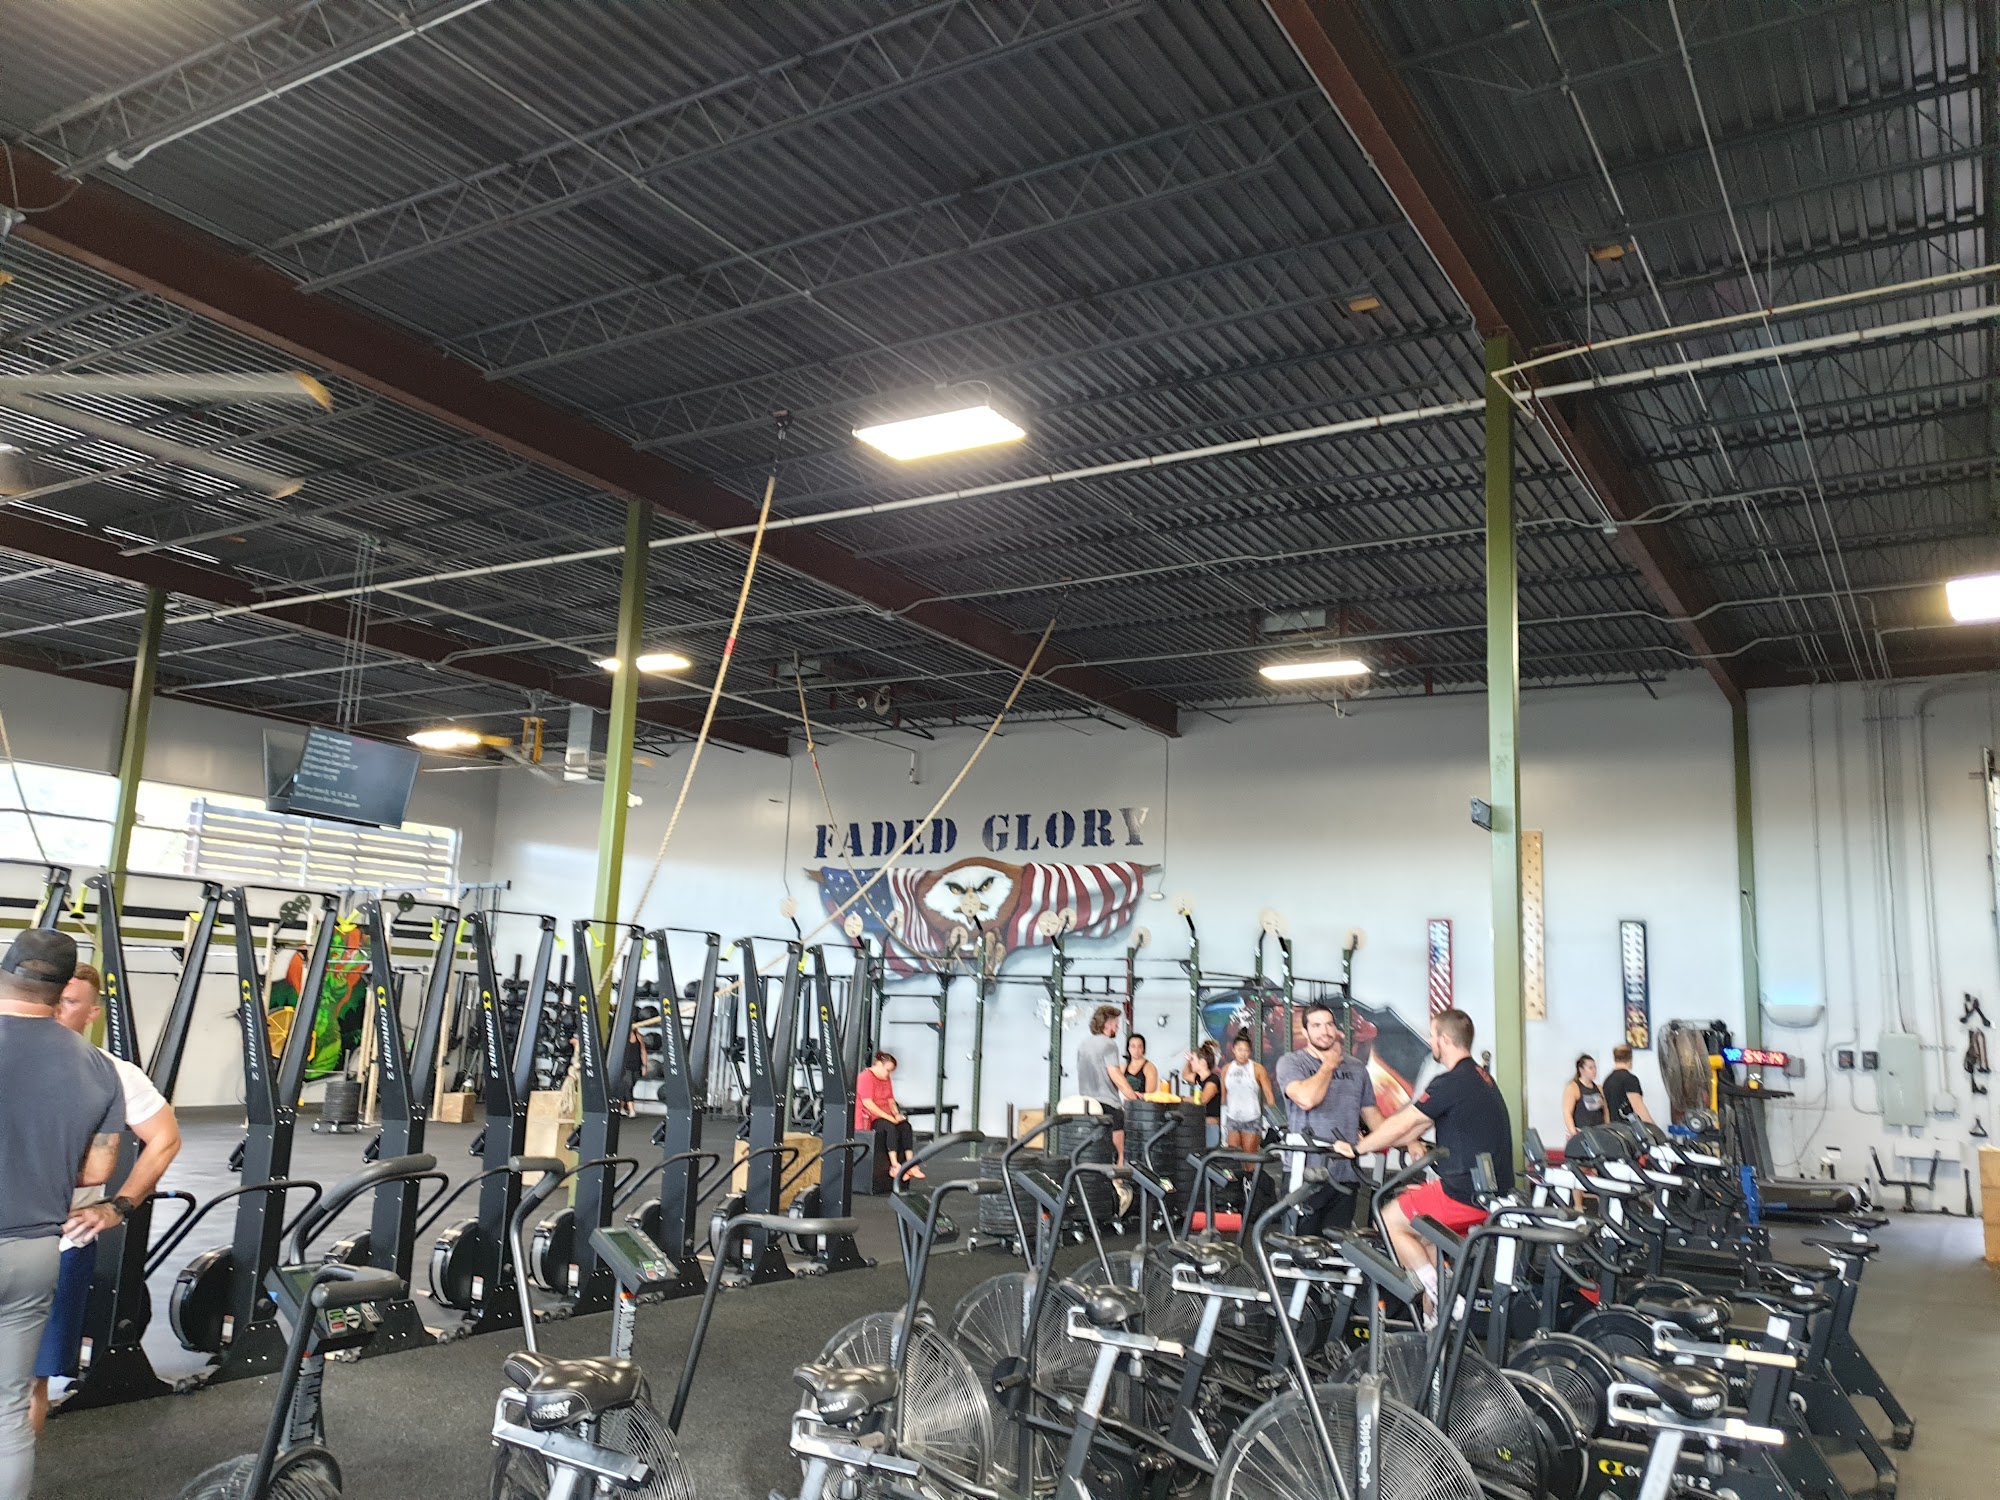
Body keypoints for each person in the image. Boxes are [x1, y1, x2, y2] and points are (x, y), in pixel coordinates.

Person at [0, 930, 124, 1500]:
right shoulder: (97, 1066)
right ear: (61, 993)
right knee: (8, 1412)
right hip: (33, 1253)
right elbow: (98, 1169)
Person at [31, 962, 182, 1432]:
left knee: (27, 1381)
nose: (56, 1009)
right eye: (52, 997)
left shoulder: (113, 1073)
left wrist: (120, 1205)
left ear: (92, 1013)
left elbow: (165, 1138)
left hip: (61, 1245)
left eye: (69, 1001)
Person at [1334, 1008, 1513, 1323]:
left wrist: (1357, 1148)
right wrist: (1396, 1142)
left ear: (1444, 1039)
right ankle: (1434, 1324)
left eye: (1432, 1036)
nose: (1430, 1042)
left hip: (1463, 1193)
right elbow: (1414, 1128)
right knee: (1425, 1239)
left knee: (1387, 1220)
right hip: (1487, 1193)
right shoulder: (1480, 1078)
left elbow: (1406, 1120)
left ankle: (1442, 1294)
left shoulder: (1451, 1081)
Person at [1275, 1004, 1382, 1236]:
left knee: (1337, 1246)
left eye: (1329, 1024)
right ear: (1305, 1032)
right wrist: (1329, 1066)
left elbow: (1372, 1116)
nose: (1324, 1031)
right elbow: (1306, 1099)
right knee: (1301, 1247)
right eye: (1316, 1026)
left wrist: (1408, 1141)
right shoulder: (1292, 1063)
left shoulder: (1357, 1069)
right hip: (1306, 1174)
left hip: (1346, 1173)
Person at [855, 1051, 920, 1180]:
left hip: (886, 1115)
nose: (889, 1075)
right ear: (879, 1065)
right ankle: (894, 1165)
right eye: (888, 1071)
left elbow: (891, 1100)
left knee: (905, 1126)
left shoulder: (886, 1079)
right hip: (872, 1118)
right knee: (890, 1128)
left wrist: (896, 1114)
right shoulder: (865, 1077)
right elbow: (868, 1104)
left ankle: (910, 1164)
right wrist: (889, 1117)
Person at [1075, 1006, 1127, 1162]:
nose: (1118, 1026)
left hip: (1086, 1104)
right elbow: (1115, 1074)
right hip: (1108, 1104)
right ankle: (1119, 1174)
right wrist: (1132, 1095)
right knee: (1119, 1153)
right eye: (1116, 1022)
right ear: (1108, 1023)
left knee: (1095, 1152)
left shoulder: (1083, 1045)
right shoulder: (1109, 1044)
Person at [1219, 1032, 1273, 1154]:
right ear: (1233, 1050)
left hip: (1252, 1118)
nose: (1243, 1054)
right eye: (1240, 1050)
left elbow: (1269, 1095)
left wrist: (1269, 1119)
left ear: (1250, 1052)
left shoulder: (1258, 1069)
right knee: (1234, 1157)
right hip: (1232, 1117)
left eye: (1246, 1050)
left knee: (1250, 1157)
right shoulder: (1226, 1069)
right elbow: (1223, 1096)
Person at [1601, 1044, 1655, 1126]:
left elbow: (1607, 1111)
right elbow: (1638, 1108)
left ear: (1615, 1059)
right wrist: (1653, 1128)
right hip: (1628, 1129)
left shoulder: (1607, 1080)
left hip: (1614, 1129)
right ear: (1630, 1059)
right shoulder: (1630, 1079)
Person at [1180, 1042, 1221, 1146]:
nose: (1191, 1063)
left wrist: (1183, 1099)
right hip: (1200, 1123)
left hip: (1210, 1126)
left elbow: (1203, 1099)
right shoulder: (1198, 1078)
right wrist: (1188, 1061)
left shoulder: (1213, 1080)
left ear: (1202, 1062)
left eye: (1193, 1060)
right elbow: (1185, 1075)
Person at [1561, 1053, 1606, 1137]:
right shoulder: (1573, 1088)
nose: (1594, 1071)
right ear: (1581, 1070)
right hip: (1583, 1133)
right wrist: (1574, 1134)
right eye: (1590, 1068)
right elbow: (1567, 1113)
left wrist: (1607, 1127)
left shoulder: (1599, 1088)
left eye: (1595, 1067)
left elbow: (1605, 1110)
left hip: (1599, 1132)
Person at [1120, 1033, 1159, 1099]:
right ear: (1128, 1048)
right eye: (1133, 1046)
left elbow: (1150, 1095)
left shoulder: (1149, 1067)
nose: (1136, 1050)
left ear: (1143, 1049)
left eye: (1139, 1046)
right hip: (1126, 1103)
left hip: (1143, 1103)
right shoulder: (1123, 1068)